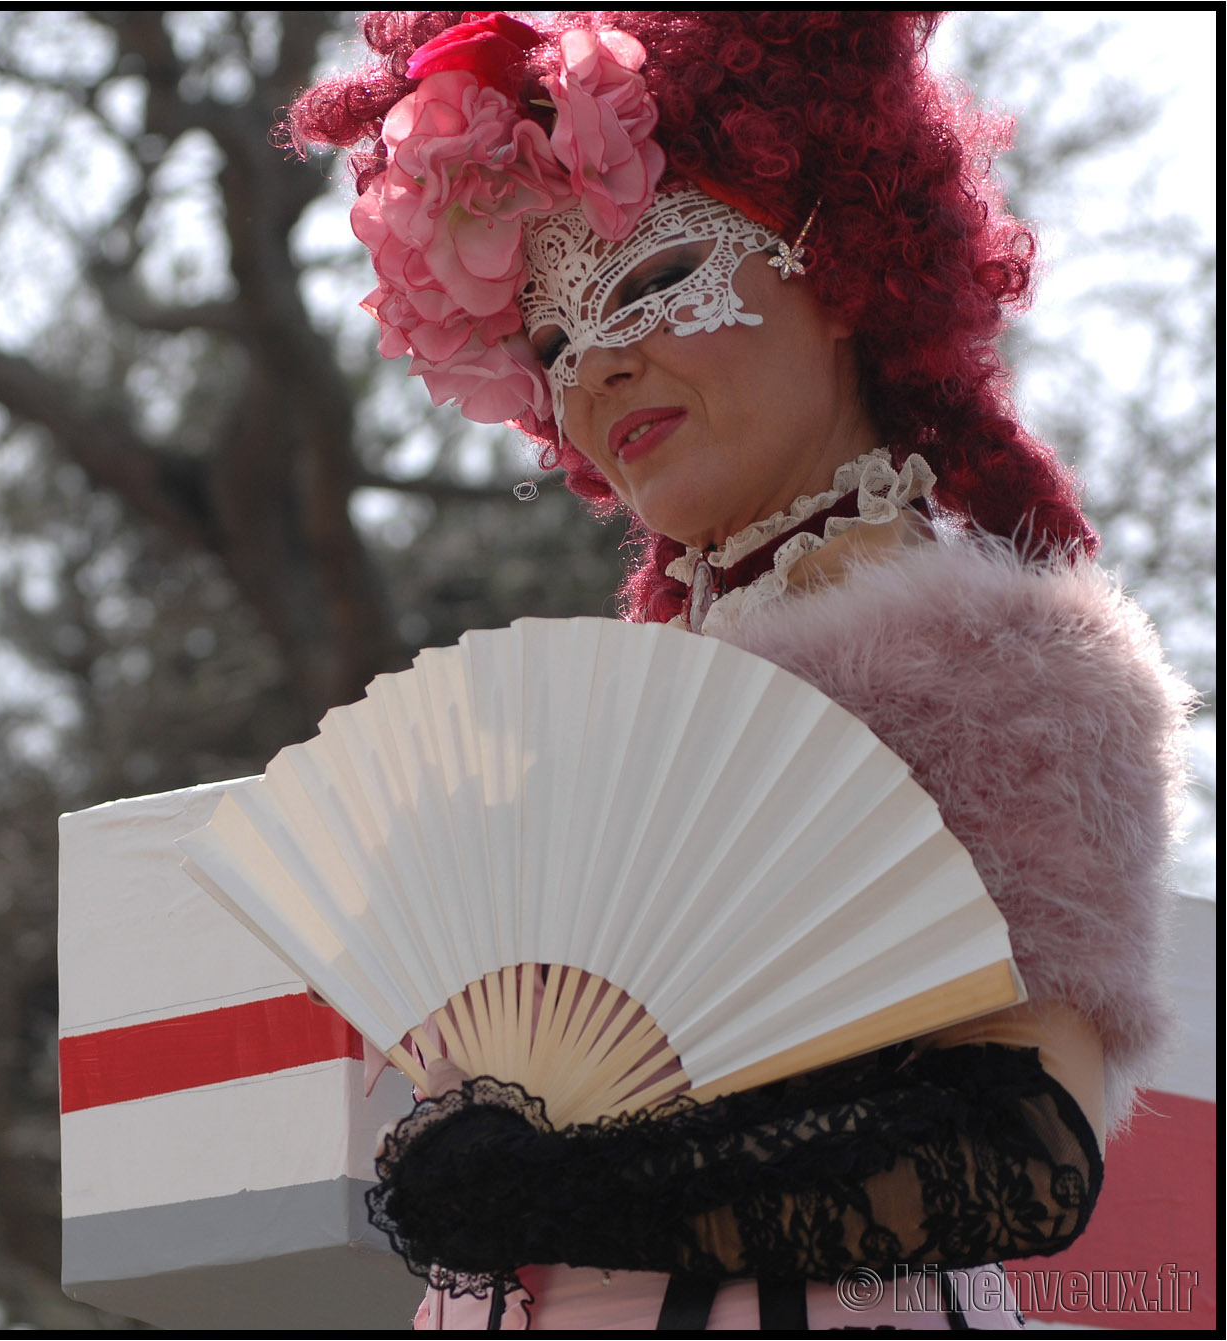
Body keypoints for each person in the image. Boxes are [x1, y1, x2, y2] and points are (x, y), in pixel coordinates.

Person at [288, 11, 1195, 1330]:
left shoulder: (1012, 662)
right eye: (552, 344)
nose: (597, 362)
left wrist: (564, 1194)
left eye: (654, 281)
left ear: (841, 272)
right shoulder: (577, 735)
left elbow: (1017, 1154)